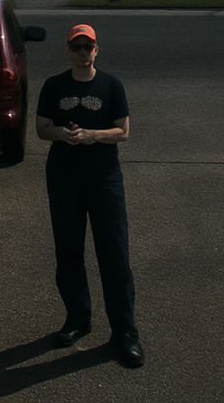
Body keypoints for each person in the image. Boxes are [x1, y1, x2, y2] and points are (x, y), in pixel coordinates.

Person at [36, 23, 144, 369]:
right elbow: (41, 127)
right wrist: (64, 135)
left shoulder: (111, 85)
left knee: (114, 253)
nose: (83, 53)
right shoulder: (54, 86)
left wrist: (93, 135)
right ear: (67, 50)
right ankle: (78, 318)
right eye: (76, 47)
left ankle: (124, 332)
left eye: (88, 47)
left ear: (97, 50)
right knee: (68, 251)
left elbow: (123, 131)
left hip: (104, 179)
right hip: (65, 178)